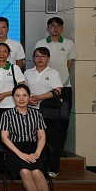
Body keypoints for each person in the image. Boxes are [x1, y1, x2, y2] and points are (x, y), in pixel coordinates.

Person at [0, 84, 55, 191]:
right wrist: (20, 154)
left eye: (24, 95)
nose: (21, 98)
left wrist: (37, 153)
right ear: (13, 98)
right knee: (24, 171)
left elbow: (42, 137)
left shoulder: (37, 114)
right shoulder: (7, 115)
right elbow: (4, 138)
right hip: (15, 150)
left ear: (29, 97)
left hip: (34, 148)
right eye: (17, 96)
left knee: (36, 172)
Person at [34, 16, 75, 153]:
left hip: (64, 87)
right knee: (43, 120)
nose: (55, 28)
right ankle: (44, 149)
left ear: (62, 28)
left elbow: (68, 65)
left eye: (58, 26)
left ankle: (60, 148)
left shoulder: (69, 44)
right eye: (52, 26)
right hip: (44, 89)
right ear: (47, 28)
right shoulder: (40, 43)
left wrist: (59, 82)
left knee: (63, 119)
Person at [24, 47, 63, 177]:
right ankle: (36, 166)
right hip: (31, 111)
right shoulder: (28, 73)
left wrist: (39, 97)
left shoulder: (53, 73)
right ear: (33, 58)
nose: (40, 58)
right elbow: (23, 90)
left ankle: (53, 168)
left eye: (43, 56)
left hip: (49, 112)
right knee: (33, 140)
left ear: (48, 58)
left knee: (52, 140)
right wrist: (29, 100)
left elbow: (57, 91)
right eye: (37, 56)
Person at [0, 42, 25, 116]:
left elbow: (22, 87)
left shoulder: (15, 68)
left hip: (12, 105)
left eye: (5, 51)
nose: (2, 54)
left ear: (9, 54)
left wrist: (5, 94)